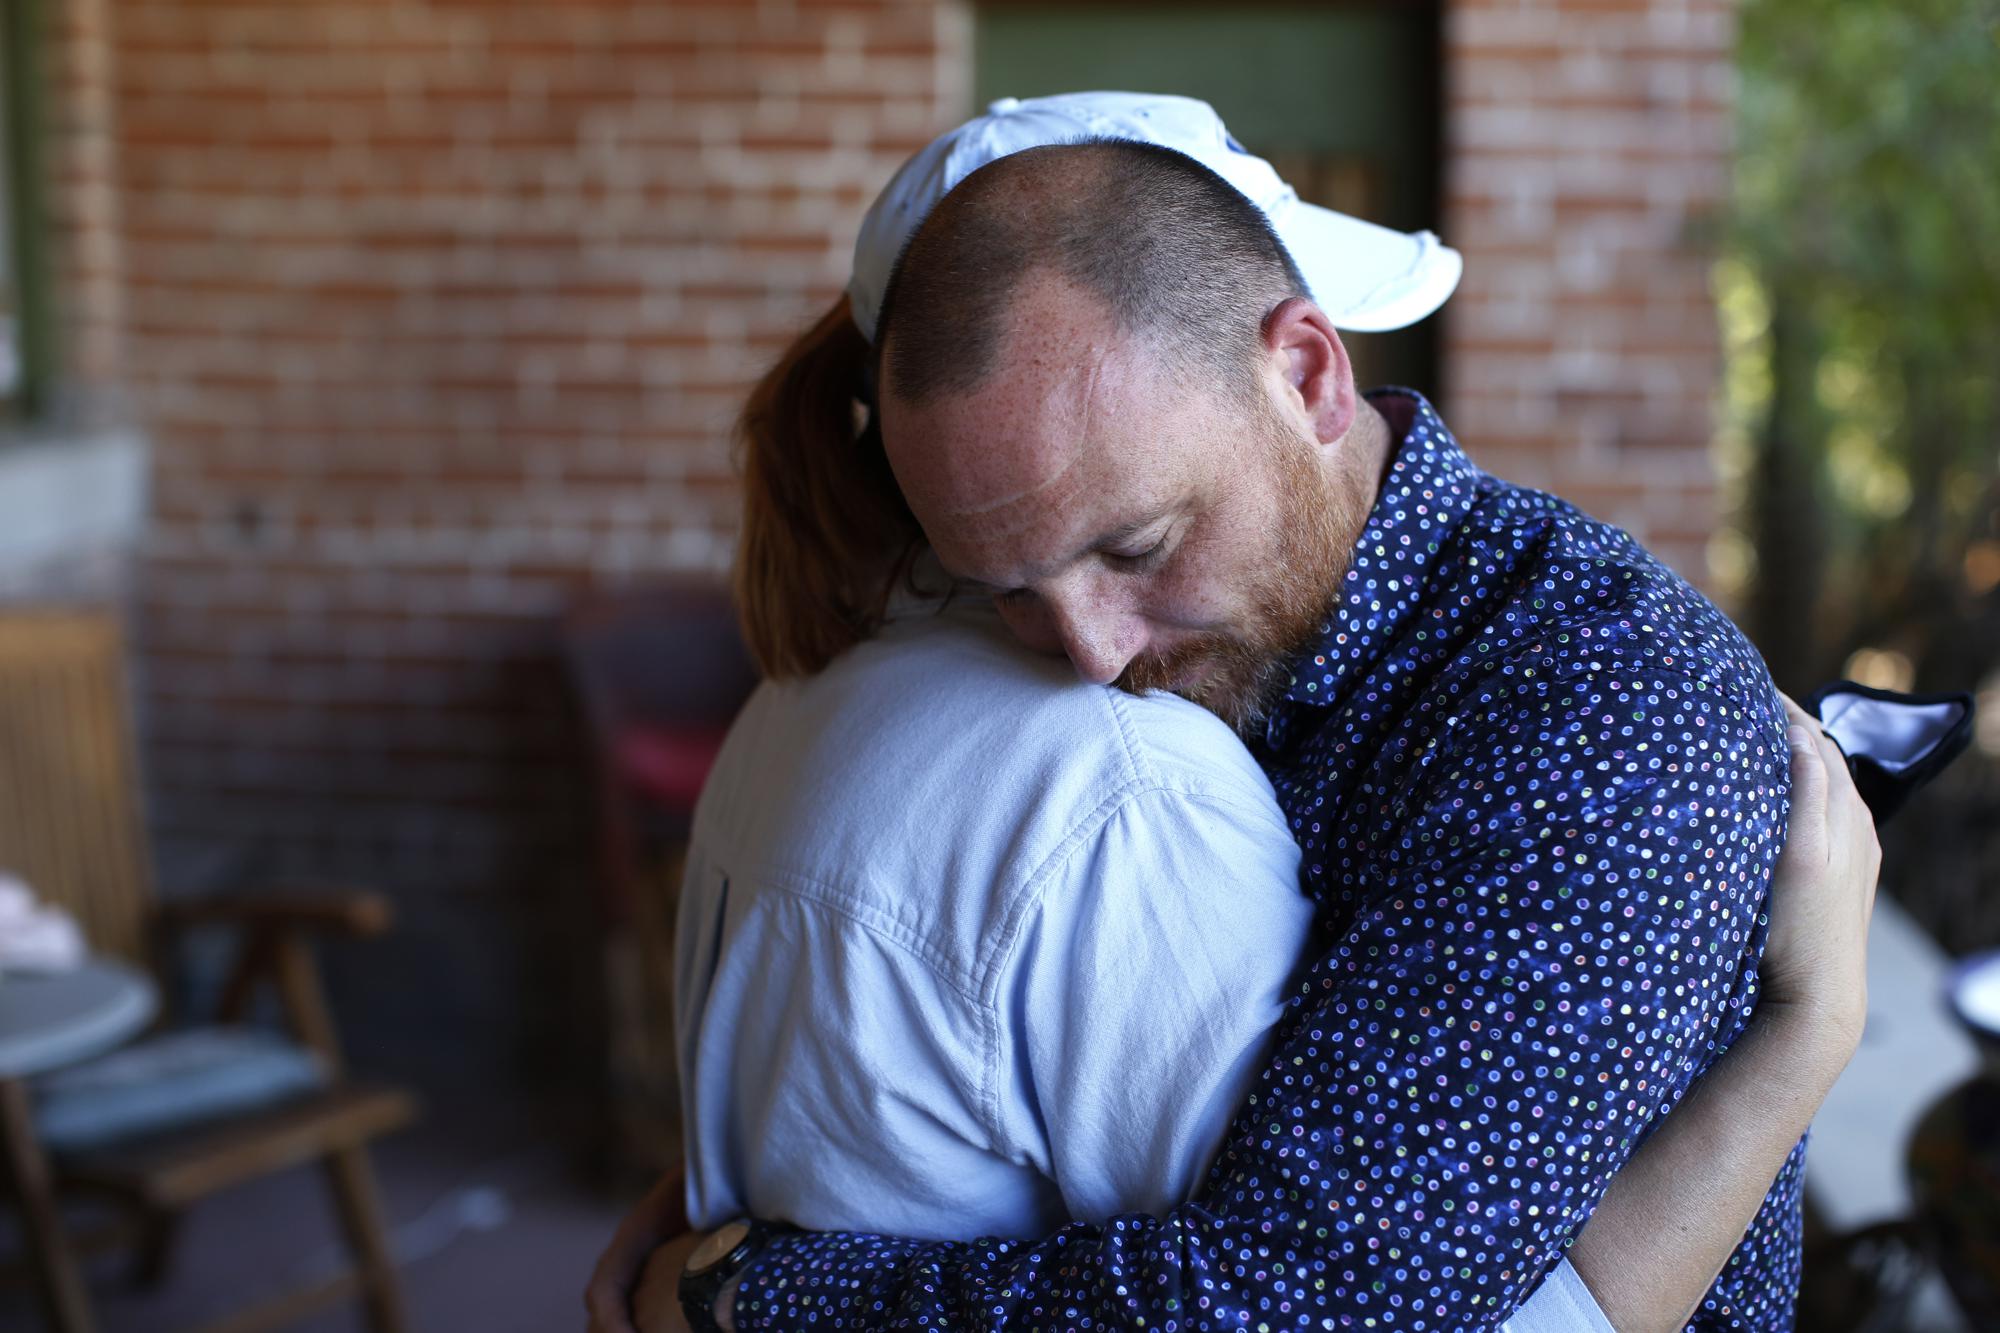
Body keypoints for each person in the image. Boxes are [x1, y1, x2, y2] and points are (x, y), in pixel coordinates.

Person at [591, 93, 1872, 1331]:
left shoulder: (1596, 723)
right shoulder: (1182, 651)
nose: (1087, 654)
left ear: (1309, 376)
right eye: (1011, 593)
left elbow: (1309, 1303)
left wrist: (762, 1289)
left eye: (1136, 544)